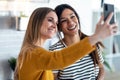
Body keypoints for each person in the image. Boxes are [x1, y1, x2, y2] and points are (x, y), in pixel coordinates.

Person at [14, 7, 117, 80]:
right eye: (50, 20)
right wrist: (97, 36)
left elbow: (100, 68)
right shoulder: (32, 53)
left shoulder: (35, 51)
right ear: (36, 22)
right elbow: (60, 58)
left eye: (56, 22)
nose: (54, 25)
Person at [49, 4, 106, 80]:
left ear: (77, 18)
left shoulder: (91, 42)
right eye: (64, 20)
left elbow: (101, 68)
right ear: (59, 27)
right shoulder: (54, 51)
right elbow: (53, 78)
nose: (71, 22)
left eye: (72, 16)